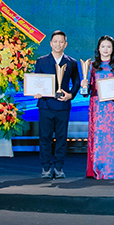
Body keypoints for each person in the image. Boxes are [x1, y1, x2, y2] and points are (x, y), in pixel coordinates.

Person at [33, 30, 81, 179]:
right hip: (45, 105)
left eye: (61, 42)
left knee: (61, 138)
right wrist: (36, 91)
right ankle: (46, 167)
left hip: (63, 106)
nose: (58, 44)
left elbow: (77, 81)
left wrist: (70, 95)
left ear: (65, 44)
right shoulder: (41, 61)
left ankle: (59, 167)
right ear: (50, 43)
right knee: (45, 138)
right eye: (55, 41)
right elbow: (36, 81)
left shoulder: (71, 62)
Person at [81, 35, 114, 180]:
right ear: (98, 49)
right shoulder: (93, 66)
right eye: (103, 46)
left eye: (109, 47)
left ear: (113, 49)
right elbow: (86, 92)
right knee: (98, 138)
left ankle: (112, 169)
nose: (106, 49)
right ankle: (97, 168)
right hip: (97, 108)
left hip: (112, 108)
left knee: (111, 139)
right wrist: (84, 86)